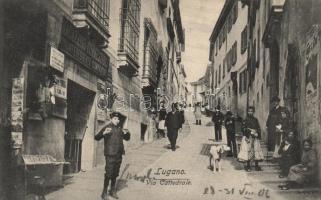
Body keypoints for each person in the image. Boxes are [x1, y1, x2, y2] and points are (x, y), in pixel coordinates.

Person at [94, 112, 130, 200]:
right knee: (109, 173)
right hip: (110, 154)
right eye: (115, 119)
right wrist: (103, 133)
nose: (117, 121)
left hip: (119, 154)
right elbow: (96, 137)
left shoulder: (120, 128)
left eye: (118, 119)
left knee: (115, 173)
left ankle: (112, 191)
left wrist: (127, 133)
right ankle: (104, 192)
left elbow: (127, 138)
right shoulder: (107, 127)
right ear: (111, 119)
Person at [238, 106, 264, 171]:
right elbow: (243, 128)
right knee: (248, 151)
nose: (250, 112)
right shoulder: (245, 120)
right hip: (248, 137)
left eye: (251, 111)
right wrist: (249, 131)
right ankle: (248, 166)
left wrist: (257, 132)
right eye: (249, 111)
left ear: (253, 112)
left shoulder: (255, 120)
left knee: (256, 151)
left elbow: (258, 128)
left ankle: (256, 166)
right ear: (247, 112)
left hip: (255, 137)